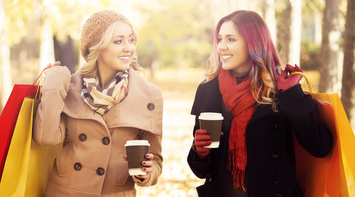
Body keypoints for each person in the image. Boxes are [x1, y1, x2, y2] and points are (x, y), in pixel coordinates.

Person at [187, 10, 332, 197]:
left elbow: (321, 146)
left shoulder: (280, 87)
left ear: (253, 43)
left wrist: (292, 95)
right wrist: (199, 152)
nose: (221, 46)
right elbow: (200, 171)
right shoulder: (208, 90)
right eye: (220, 39)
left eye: (231, 39)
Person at [33, 10, 163, 197]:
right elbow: (46, 137)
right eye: (118, 41)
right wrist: (54, 82)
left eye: (131, 40)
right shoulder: (70, 87)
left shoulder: (149, 96)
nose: (129, 48)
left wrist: (148, 173)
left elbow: (156, 161)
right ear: (97, 46)